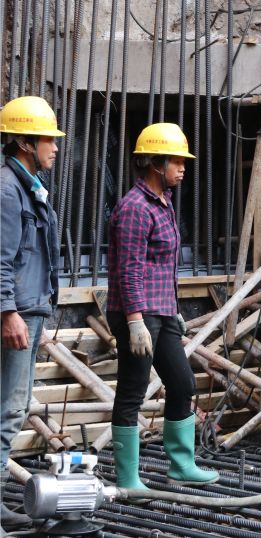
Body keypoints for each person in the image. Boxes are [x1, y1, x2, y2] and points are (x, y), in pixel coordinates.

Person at [107, 123, 218, 493]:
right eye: (176, 160)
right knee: (133, 390)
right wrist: (135, 320)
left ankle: (181, 466)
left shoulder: (164, 202)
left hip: (162, 310)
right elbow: (129, 269)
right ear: (156, 163)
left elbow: (161, 265)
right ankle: (127, 479)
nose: (183, 167)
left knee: (182, 382)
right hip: (137, 313)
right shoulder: (135, 208)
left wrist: (173, 308)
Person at [0, 96, 63, 532]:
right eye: (48, 139)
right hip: (15, 312)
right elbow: (0, 259)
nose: (55, 147)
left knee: (13, 409)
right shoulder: (7, 190)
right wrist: (8, 313)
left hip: (28, 310)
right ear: (25, 141)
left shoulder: (28, 185)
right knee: (6, 413)